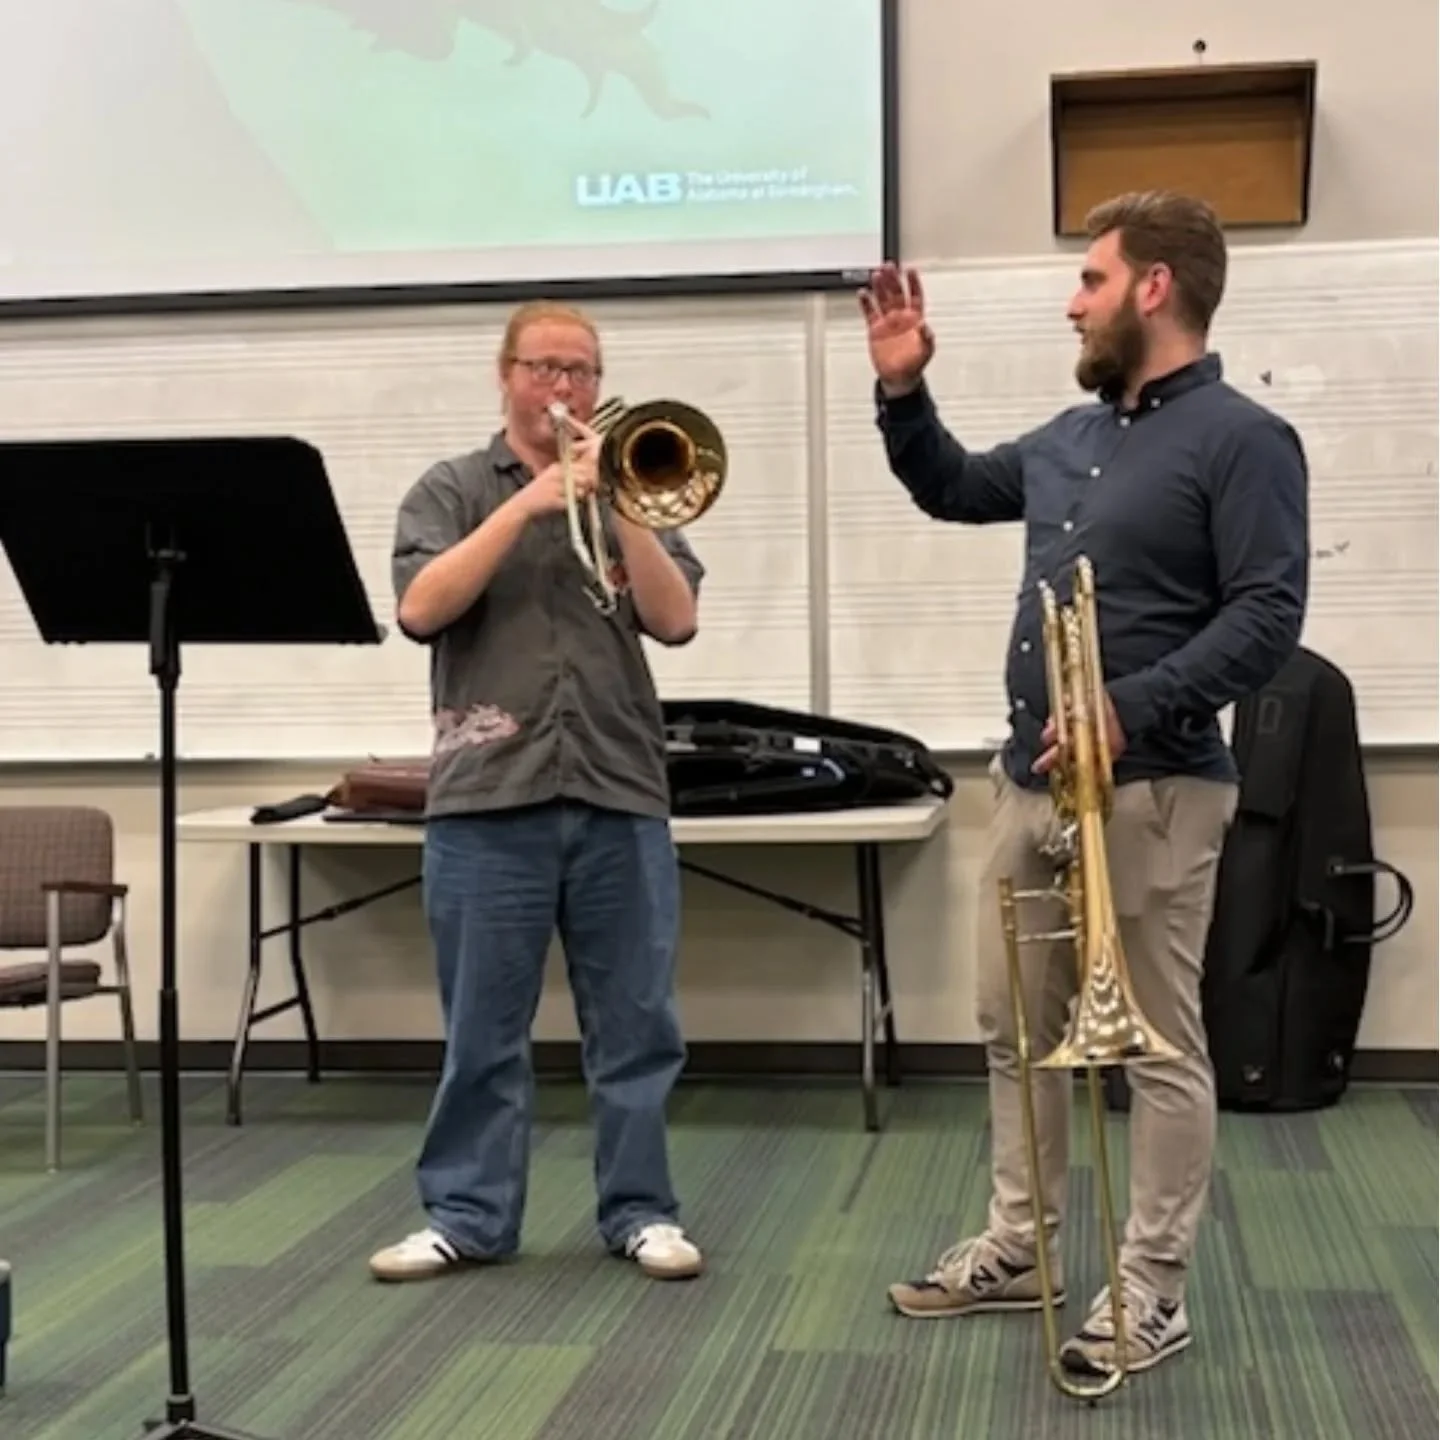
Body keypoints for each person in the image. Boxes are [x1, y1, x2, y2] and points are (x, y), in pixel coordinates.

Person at [862, 190, 1309, 1376]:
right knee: (1014, 1027)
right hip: (1030, 782)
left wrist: (1129, 704)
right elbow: (950, 485)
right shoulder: (1069, 437)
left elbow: (1269, 614)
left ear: (1154, 288)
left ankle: (1151, 1288)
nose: (1075, 298)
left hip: (1157, 789)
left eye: (1092, 279)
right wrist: (904, 392)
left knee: (1159, 1045)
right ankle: (1028, 1247)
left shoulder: (1244, 440)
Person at [369, 299, 706, 1285]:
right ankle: (467, 1216)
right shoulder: (452, 487)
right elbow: (420, 608)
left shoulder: (636, 483)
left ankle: (643, 1212)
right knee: (482, 1029)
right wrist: (529, 503)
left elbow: (676, 621)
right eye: (546, 367)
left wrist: (620, 509)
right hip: (488, 796)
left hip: (617, 784)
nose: (565, 388)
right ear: (505, 373)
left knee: (638, 1027)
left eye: (584, 370)